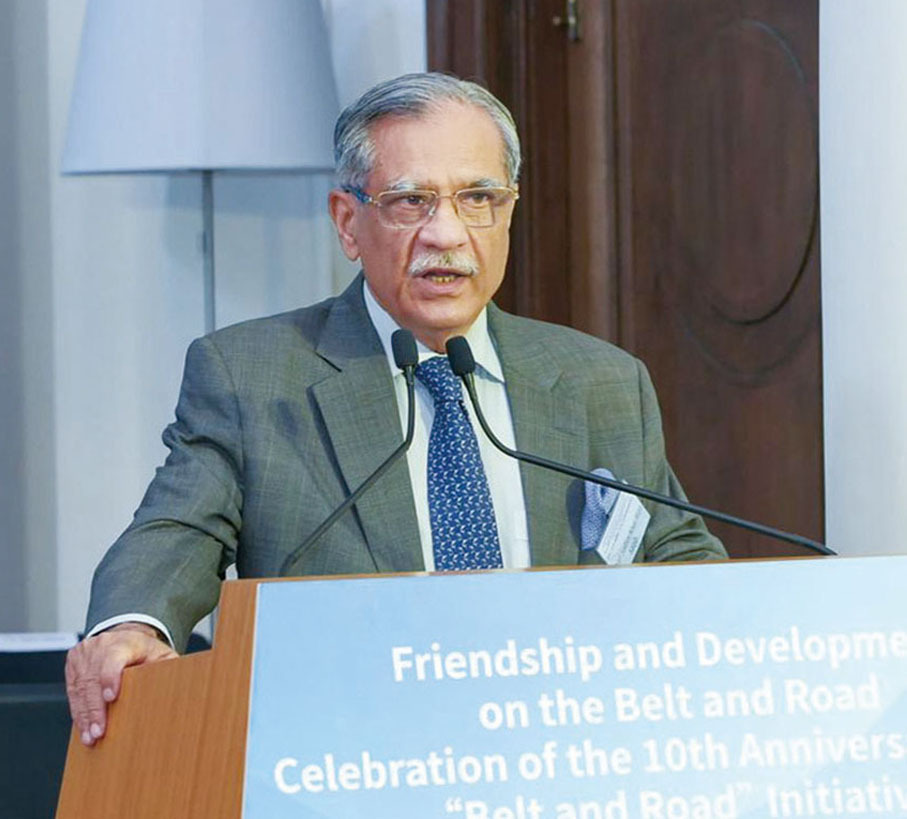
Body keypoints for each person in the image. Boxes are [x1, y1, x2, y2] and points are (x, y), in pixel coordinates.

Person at [65, 72, 726, 748]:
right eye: (411, 201)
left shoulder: (600, 381)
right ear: (347, 222)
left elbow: (675, 555)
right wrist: (131, 624)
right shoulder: (253, 377)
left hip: (554, 755)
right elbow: (178, 528)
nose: (447, 234)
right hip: (351, 758)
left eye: (478, 198)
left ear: (508, 212)